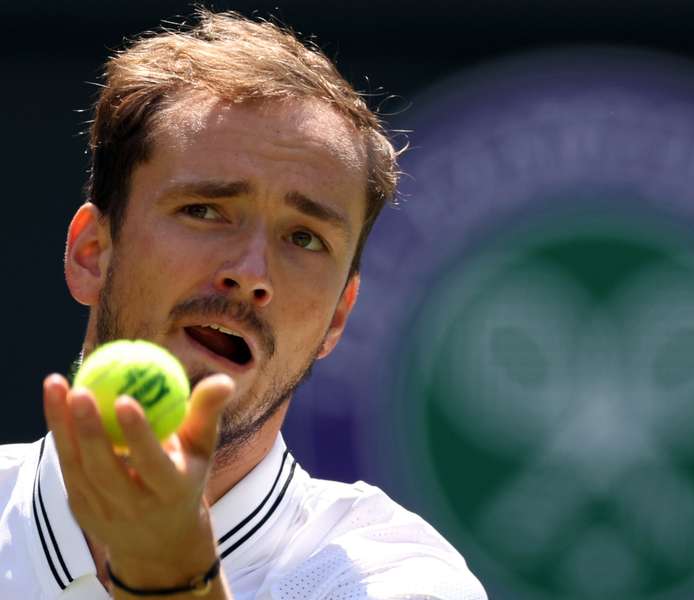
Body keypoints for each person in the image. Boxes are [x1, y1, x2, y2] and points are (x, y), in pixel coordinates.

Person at [0, 9, 487, 600]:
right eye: (205, 210)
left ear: (338, 315)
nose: (251, 275)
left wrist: (174, 584)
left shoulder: (394, 577)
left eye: (304, 238)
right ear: (92, 254)